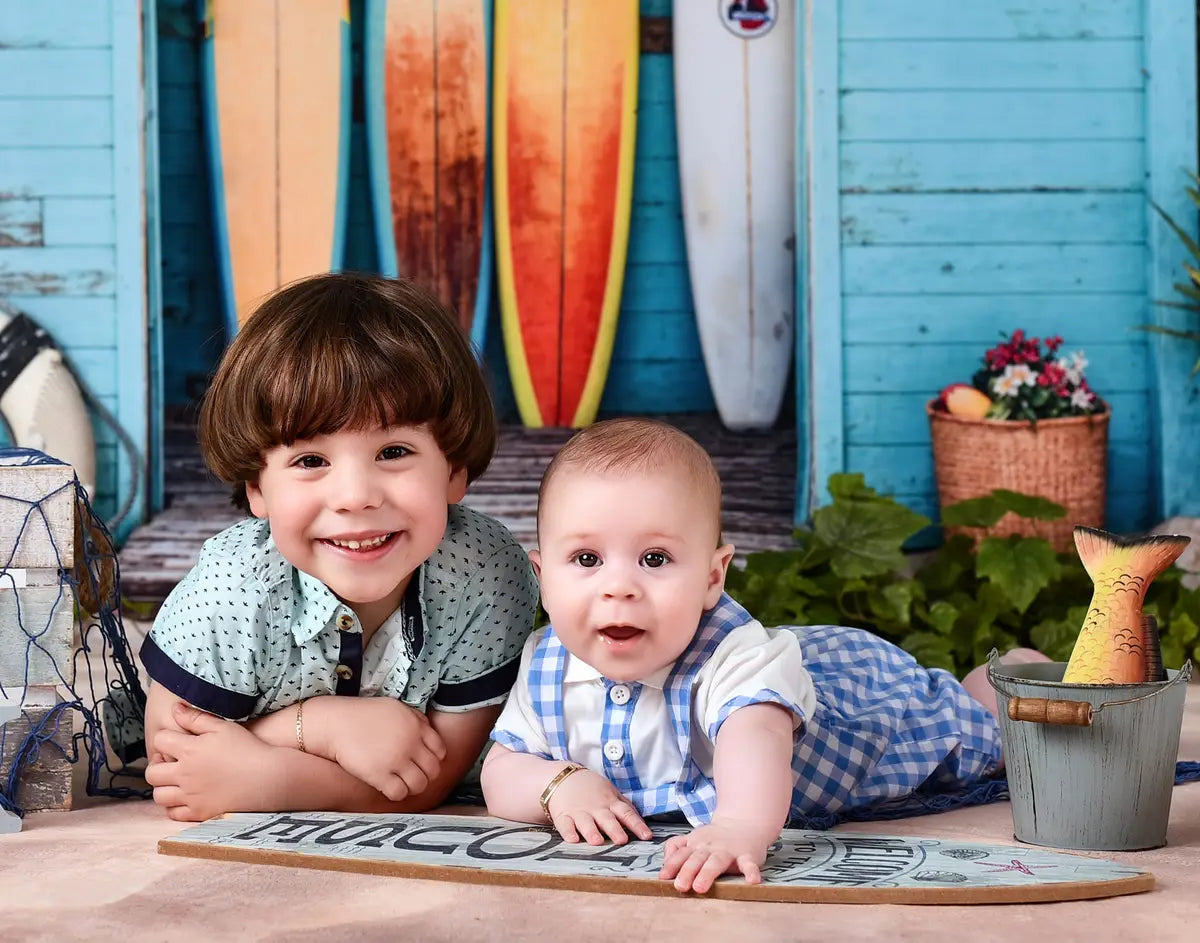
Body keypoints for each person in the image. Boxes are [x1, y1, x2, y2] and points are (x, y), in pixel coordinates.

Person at [481, 418, 1041, 894]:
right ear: (543, 580)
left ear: (712, 578)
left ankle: (1003, 677)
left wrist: (739, 825)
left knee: (979, 736)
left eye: (654, 559)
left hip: (863, 713)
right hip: (794, 680)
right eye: (586, 559)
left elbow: (756, 740)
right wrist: (556, 784)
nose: (619, 588)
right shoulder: (547, 664)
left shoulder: (733, 659)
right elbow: (501, 771)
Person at [142, 273, 538, 822]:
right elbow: (176, 763)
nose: (355, 497)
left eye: (393, 451)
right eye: (311, 461)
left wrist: (273, 779)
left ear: (454, 470)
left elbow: (436, 776)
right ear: (258, 488)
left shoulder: (486, 573)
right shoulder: (234, 591)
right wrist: (322, 726)